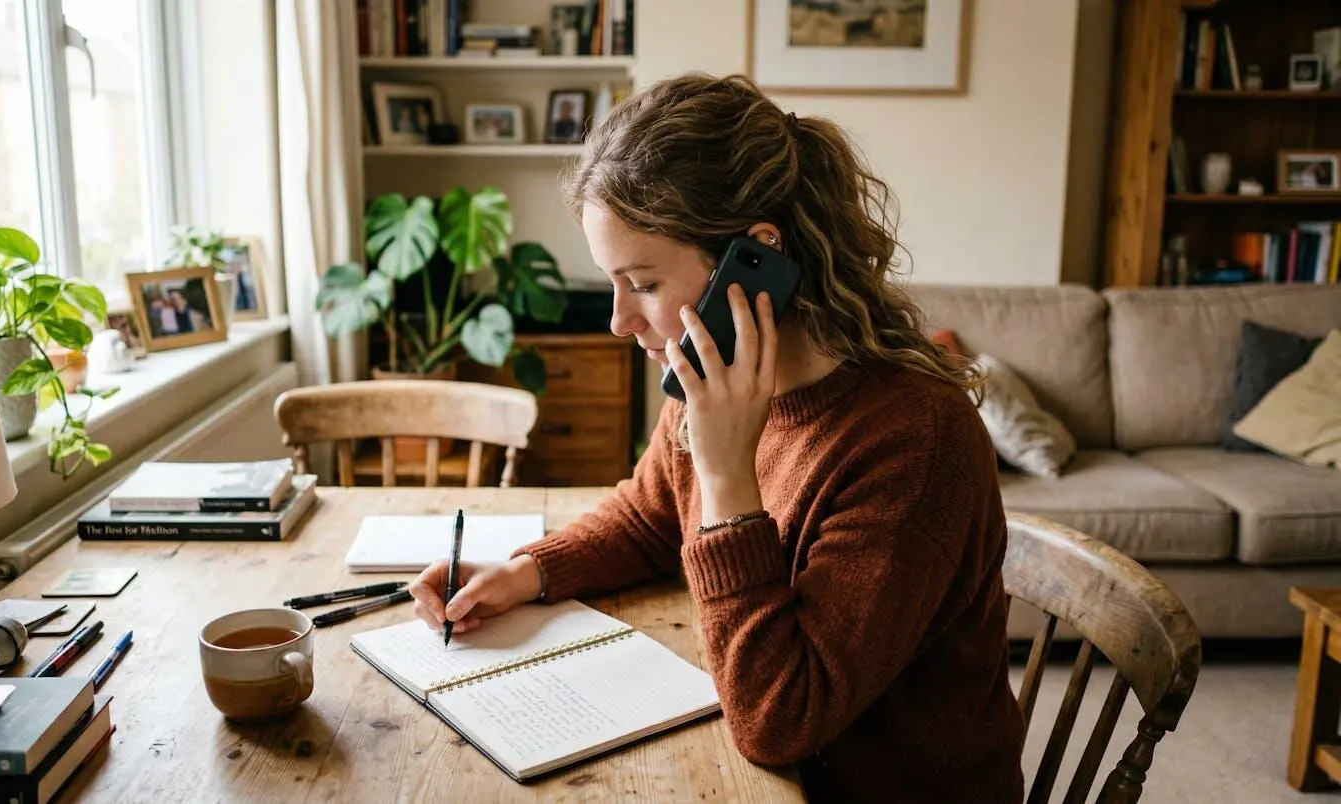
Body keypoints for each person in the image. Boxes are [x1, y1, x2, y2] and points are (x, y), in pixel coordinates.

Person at [409, 72, 1025, 802]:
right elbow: (648, 516)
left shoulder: (914, 437)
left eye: (640, 283)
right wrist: (528, 572)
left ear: (755, 259)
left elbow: (781, 719)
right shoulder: (713, 374)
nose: (619, 322)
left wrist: (729, 474)